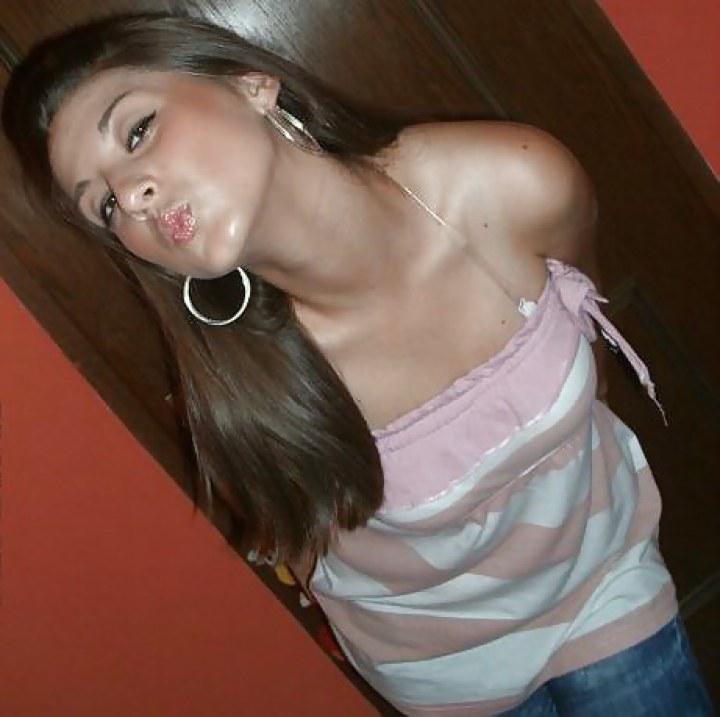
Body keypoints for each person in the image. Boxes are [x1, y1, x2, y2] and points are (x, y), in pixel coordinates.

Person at [2, 12, 714, 717]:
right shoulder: (233, 383)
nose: (131, 197)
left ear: (252, 84)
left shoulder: (506, 181)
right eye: (104, 207)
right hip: (444, 675)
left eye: (137, 131)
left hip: (605, 579)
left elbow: (589, 319)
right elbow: (298, 541)